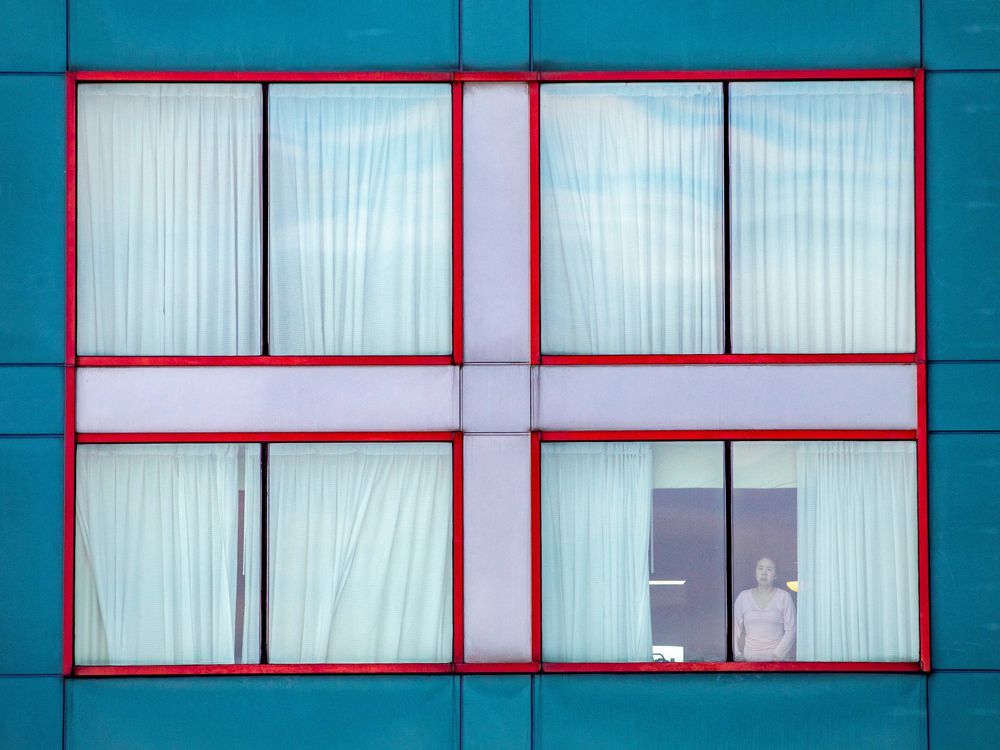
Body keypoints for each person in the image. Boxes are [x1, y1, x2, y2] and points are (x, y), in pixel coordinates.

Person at [733, 557, 796, 661]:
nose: (764, 573)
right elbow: (734, 629)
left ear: (776, 575)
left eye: (769, 569)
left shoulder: (784, 597)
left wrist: (777, 656)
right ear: (755, 572)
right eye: (760, 568)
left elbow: (791, 631)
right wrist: (737, 654)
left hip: (778, 664)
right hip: (749, 662)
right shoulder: (743, 597)